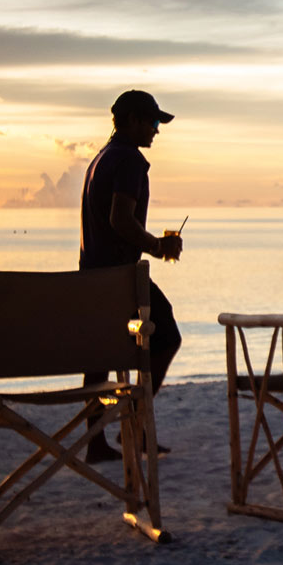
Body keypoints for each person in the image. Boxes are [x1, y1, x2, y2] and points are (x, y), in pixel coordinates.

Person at [79, 89, 184, 462]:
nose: (157, 130)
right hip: (121, 279)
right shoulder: (129, 161)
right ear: (134, 121)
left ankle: (96, 441)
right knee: (167, 334)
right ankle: (135, 427)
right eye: (154, 122)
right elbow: (120, 219)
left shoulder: (100, 159)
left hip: (91, 277)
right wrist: (157, 246)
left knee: (99, 356)